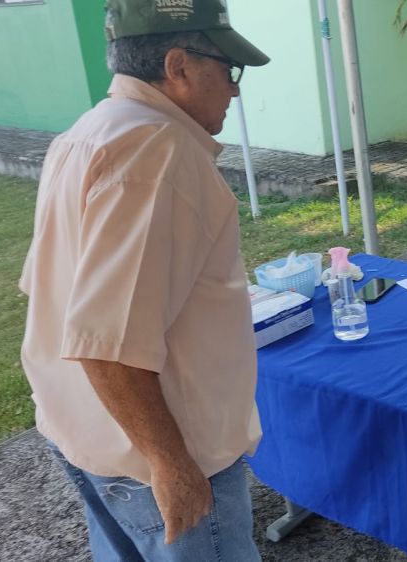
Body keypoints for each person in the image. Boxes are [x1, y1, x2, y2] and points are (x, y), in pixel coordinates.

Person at [18, 1, 268, 560]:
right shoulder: (159, 151)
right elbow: (107, 346)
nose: (233, 91)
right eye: (228, 71)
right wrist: (170, 463)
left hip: (86, 434)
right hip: (153, 453)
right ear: (178, 65)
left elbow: (45, 287)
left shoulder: (88, 132)